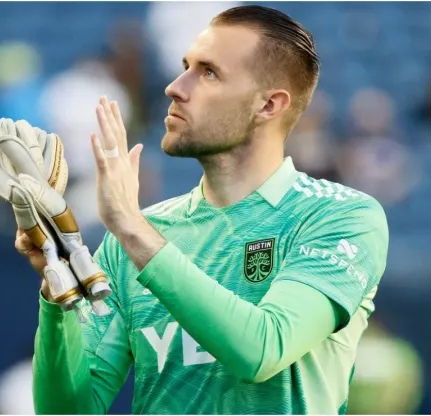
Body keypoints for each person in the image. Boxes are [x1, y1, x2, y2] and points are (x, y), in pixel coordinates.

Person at [19, 5, 389, 414]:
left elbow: (263, 349)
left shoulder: (340, 218)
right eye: (185, 67)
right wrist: (59, 293)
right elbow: (67, 410)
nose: (175, 87)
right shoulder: (138, 238)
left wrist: (131, 228)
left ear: (268, 105)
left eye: (208, 72)